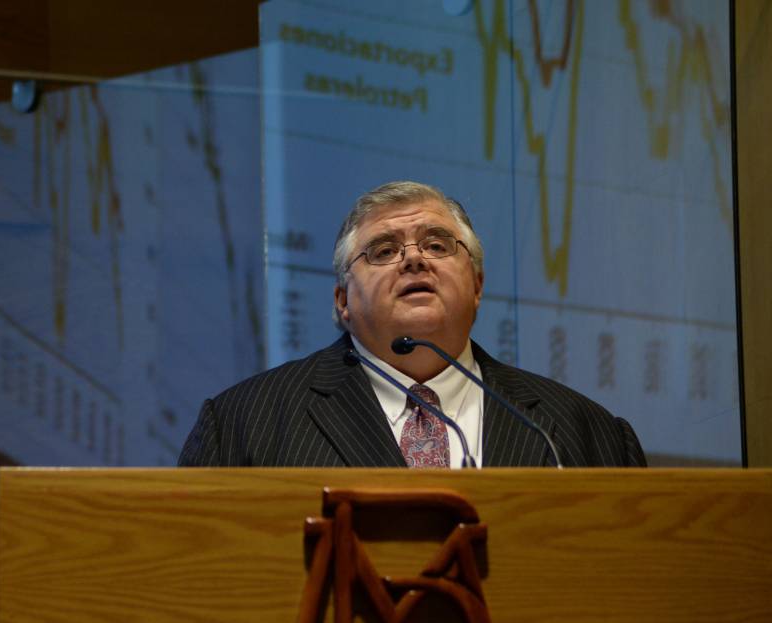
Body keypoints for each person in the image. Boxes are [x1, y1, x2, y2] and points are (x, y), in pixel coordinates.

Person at [178, 181, 646, 468]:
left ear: (477, 285)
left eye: (438, 245)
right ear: (343, 301)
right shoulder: (242, 424)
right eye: (383, 251)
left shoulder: (587, 432)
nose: (414, 260)